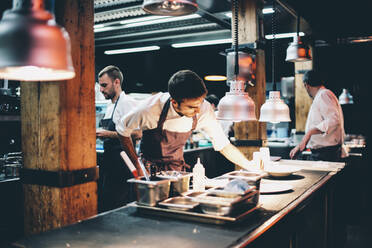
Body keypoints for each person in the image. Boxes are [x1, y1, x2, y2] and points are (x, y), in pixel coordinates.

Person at [116, 70, 254, 176]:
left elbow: (223, 145)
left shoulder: (203, 109)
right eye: (191, 107)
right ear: (174, 102)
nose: (197, 110)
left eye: (200, 104)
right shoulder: (149, 109)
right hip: (148, 172)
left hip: (177, 172)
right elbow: (122, 130)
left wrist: (249, 166)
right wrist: (136, 164)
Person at [96, 65, 139, 212]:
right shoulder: (110, 106)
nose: (101, 90)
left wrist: (107, 134)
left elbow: (138, 133)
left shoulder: (127, 102)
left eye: (104, 85)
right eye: (100, 86)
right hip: (110, 163)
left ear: (116, 82)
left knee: (119, 205)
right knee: (108, 204)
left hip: (123, 164)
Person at [289, 70, 346, 162]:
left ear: (306, 85)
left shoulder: (324, 94)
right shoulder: (322, 95)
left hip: (326, 154)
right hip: (323, 153)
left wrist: (309, 133)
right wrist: (302, 143)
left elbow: (333, 120)